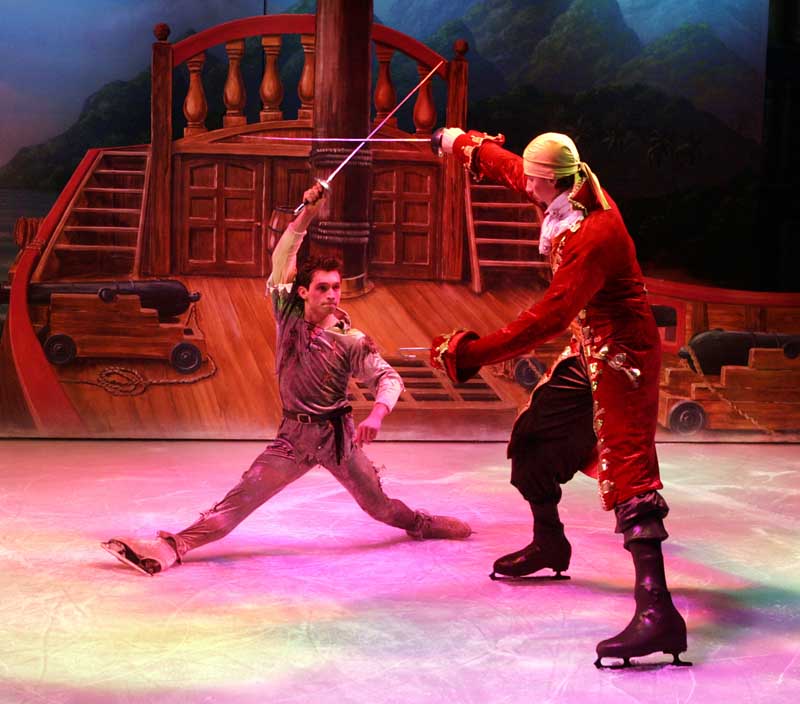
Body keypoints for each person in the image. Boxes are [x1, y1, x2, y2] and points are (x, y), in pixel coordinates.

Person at [102, 182, 471, 577]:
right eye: (323, 288)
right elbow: (284, 256)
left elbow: (388, 378)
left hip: (338, 440)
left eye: (336, 287)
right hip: (293, 438)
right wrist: (308, 213)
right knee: (240, 500)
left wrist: (377, 414)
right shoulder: (288, 315)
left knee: (378, 506)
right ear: (303, 292)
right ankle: (173, 547)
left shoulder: (351, 340)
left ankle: (420, 524)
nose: (332, 295)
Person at [431, 128, 688, 668]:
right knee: (534, 436)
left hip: (625, 353)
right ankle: (550, 543)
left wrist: (473, 352)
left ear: (549, 181)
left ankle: (657, 612)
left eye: (532, 178)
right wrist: (457, 142)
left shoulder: (593, 233)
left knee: (629, 471)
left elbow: (548, 316)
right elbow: (509, 168)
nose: (525, 184)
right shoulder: (566, 191)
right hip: (591, 344)